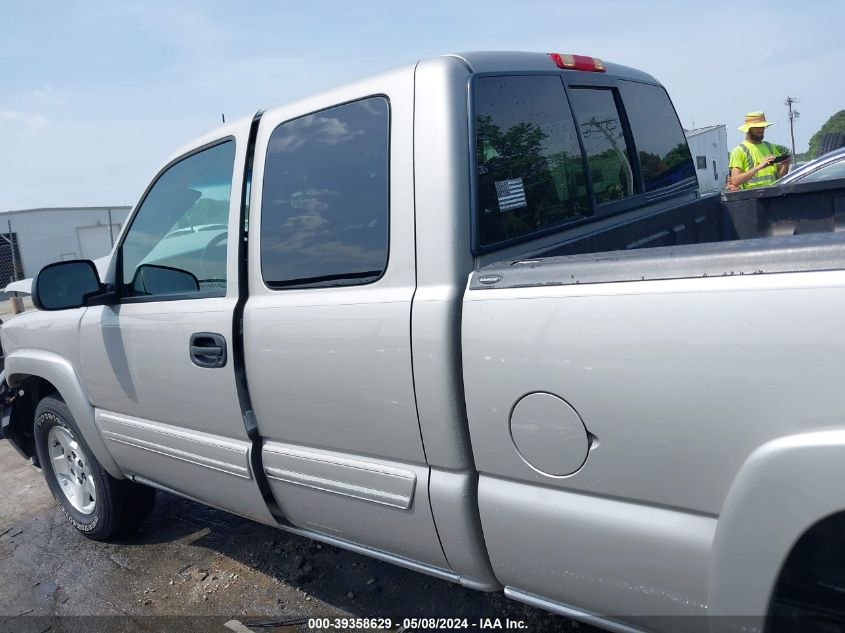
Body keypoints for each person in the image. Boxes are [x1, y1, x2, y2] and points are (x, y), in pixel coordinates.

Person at [729, 112, 790, 189]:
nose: (761, 130)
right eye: (757, 127)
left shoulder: (770, 147)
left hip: (773, 194)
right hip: (753, 197)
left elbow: (780, 176)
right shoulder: (739, 150)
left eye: (762, 127)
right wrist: (759, 167)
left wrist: (785, 165)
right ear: (748, 129)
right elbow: (735, 181)